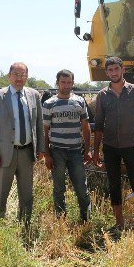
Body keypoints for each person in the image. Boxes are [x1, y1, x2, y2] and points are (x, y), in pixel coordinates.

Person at [92, 57, 134, 231]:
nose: (113, 73)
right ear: (106, 73)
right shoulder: (102, 95)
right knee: (114, 184)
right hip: (110, 147)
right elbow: (99, 125)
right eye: (110, 70)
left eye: (116, 69)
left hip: (131, 145)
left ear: (123, 70)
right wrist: (96, 151)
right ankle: (119, 223)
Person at [0, 62, 45, 225]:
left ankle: (25, 223)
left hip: (27, 152)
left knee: (27, 193)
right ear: (9, 76)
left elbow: (39, 124)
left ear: (27, 77)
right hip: (4, 154)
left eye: (23, 75)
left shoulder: (33, 95)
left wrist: (41, 148)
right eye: (16, 75)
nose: (19, 78)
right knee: (1, 193)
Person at [43, 69, 92, 223]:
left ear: (73, 83)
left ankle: (86, 220)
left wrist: (88, 150)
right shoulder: (49, 104)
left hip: (76, 151)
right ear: (57, 83)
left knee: (81, 188)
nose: (66, 85)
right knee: (58, 188)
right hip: (57, 151)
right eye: (63, 82)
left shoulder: (79, 101)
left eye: (69, 82)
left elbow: (86, 127)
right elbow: (45, 131)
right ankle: (61, 221)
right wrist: (47, 155)